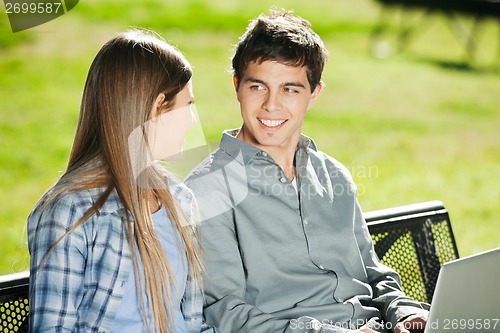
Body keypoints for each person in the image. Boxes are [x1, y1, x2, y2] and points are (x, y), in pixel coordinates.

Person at [185, 9, 429, 333]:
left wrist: (406, 313)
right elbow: (226, 313)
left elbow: (374, 275)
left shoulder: (334, 175)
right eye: (258, 87)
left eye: (290, 89)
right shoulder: (207, 190)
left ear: (314, 94)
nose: (271, 105)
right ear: (237, 86)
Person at [28, 29, 203, 333]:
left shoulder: (180, 200)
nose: (192, 119)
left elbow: (193, 323)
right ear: (156, 107)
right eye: (187, 104)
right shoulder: (70, 211)